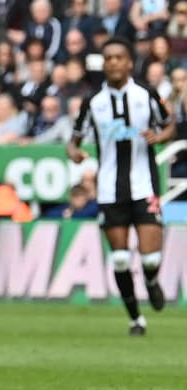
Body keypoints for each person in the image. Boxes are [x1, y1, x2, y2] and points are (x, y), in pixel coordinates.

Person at [67, 38, 175, 336]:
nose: (113, 62)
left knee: (150, 257)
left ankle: (151, 281)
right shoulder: (93, 102)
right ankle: (135, 319)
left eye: (119, 57)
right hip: (109, 189)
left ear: (129, 62)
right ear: (104, 64)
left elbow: (170, 123)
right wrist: (74, 152)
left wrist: (161, 136)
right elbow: (73, 140)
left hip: (144, 185)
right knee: (120, 257)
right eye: (109, 58)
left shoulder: (146, 94)